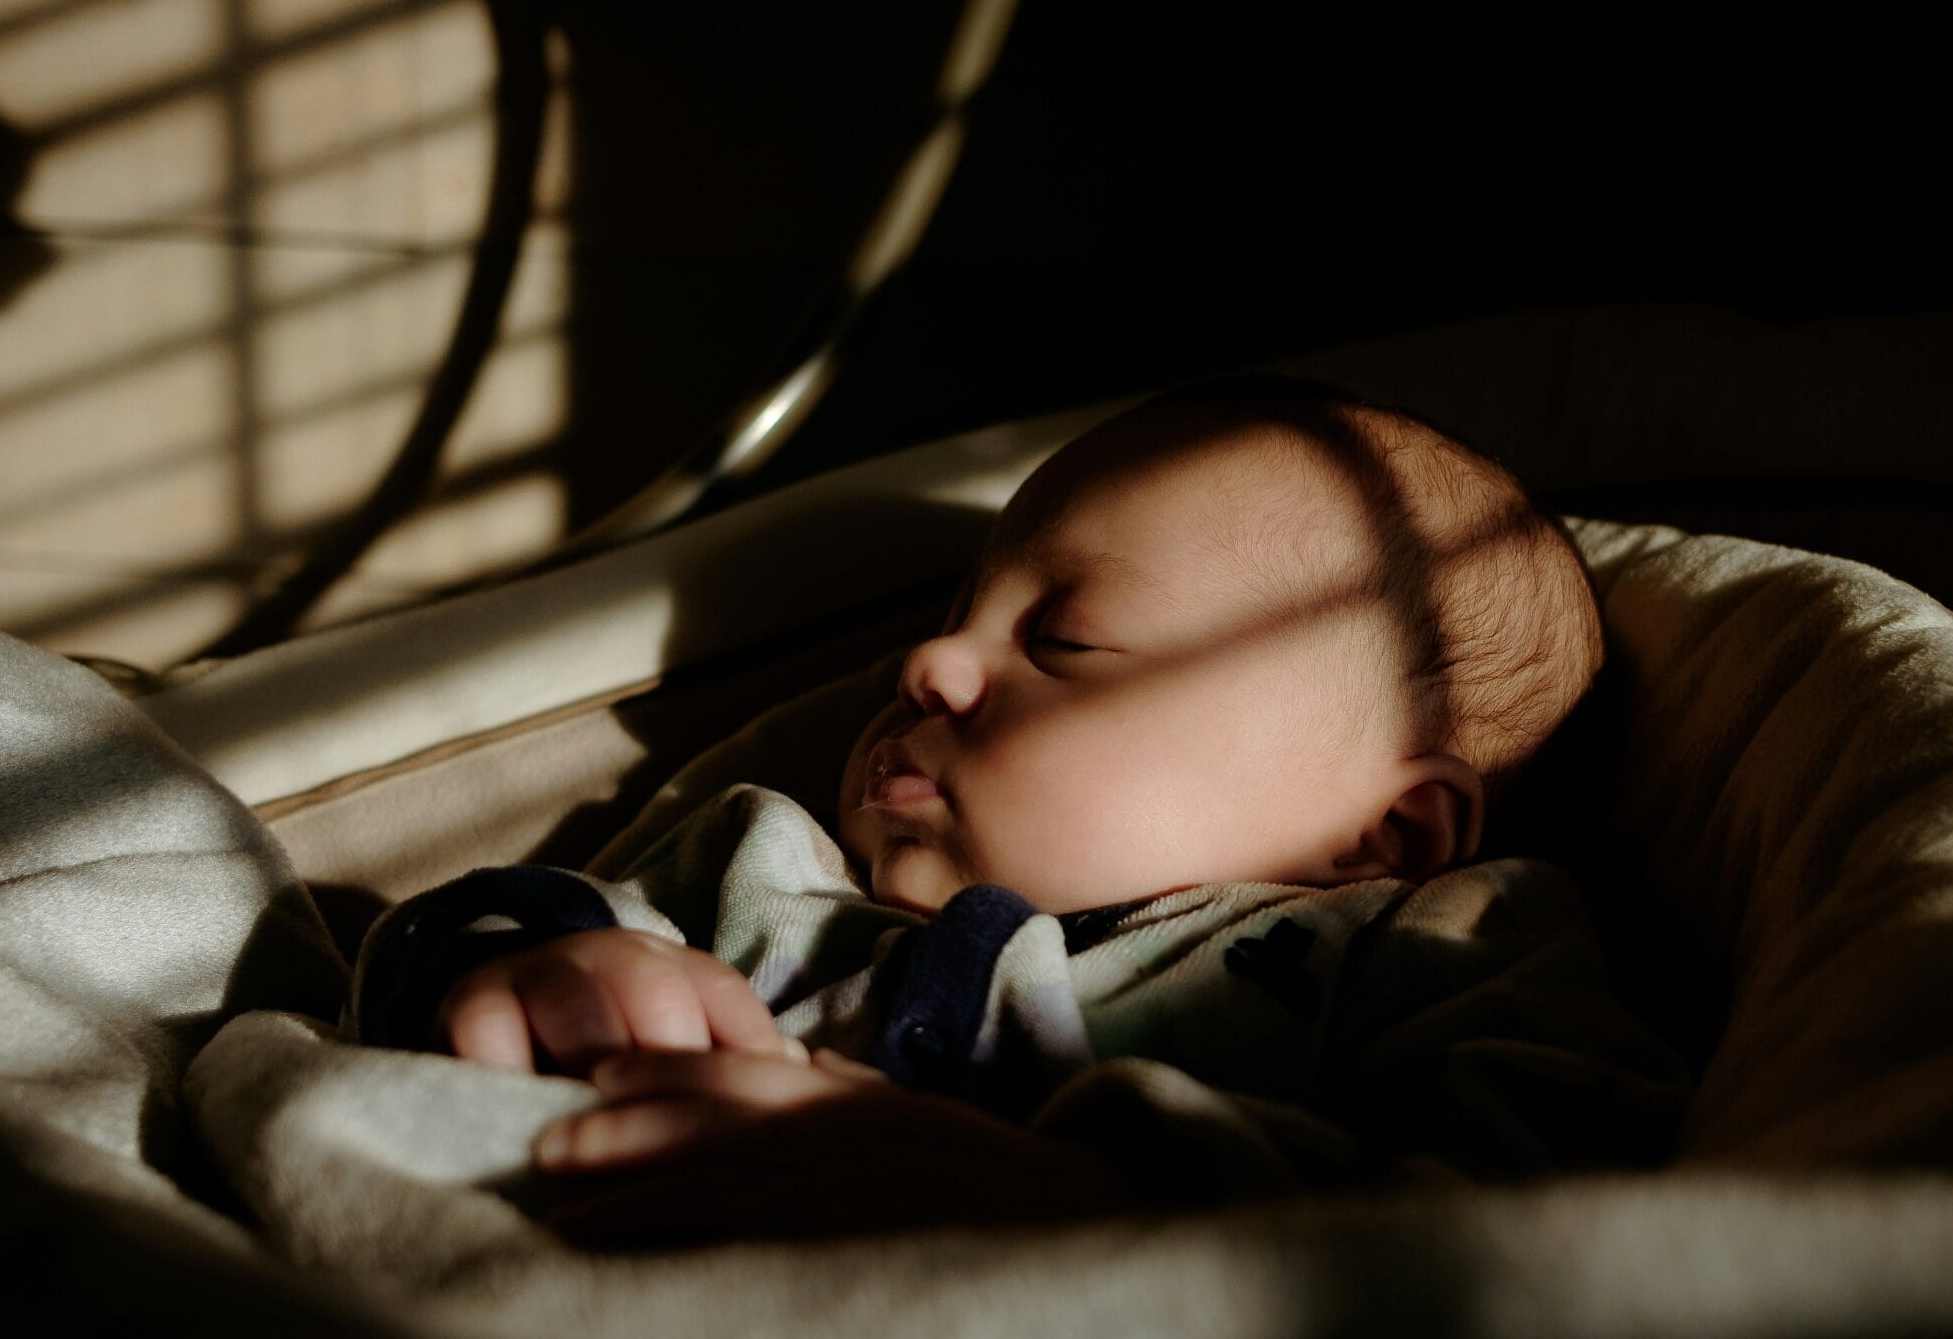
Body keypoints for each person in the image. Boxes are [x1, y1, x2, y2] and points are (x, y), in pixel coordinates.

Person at [346, 376, 1685, 1243]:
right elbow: (453, 969)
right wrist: (535, 968)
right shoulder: (770, 868)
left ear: (1384, 839)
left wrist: (1081, 1203)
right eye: (954, 618)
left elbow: (1548, 1238)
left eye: (1069, 641)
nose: (925, 667)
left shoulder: (1428, 953)